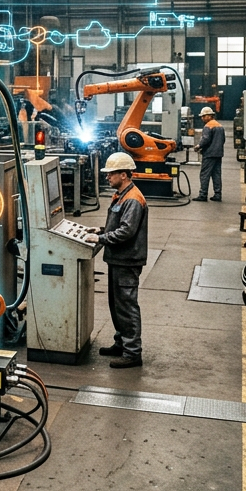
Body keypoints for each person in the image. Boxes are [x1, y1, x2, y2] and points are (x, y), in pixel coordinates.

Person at [85, 152, 148, 369]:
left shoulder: (133, 199)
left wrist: (101, 238)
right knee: (116, 305)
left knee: (127, 306)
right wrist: (101, 230)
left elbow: (126, 232)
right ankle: (121, 343)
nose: (107, 177)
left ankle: (132, 353)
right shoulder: (121, 195)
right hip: (117, 259)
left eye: (111, 174)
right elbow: (118, 225)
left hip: (127, 260)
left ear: (124, 174)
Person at [194, 105, 225, 202]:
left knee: (204, 174)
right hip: (218, 154)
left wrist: (199, 146)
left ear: (209, 116)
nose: (202, 118)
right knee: (216, 174)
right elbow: (223, 140)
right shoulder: (220, 126)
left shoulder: (208, 126)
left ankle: (203, 195)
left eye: (203, 116)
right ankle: (217, 194)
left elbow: (206, 139)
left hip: (209, 154)